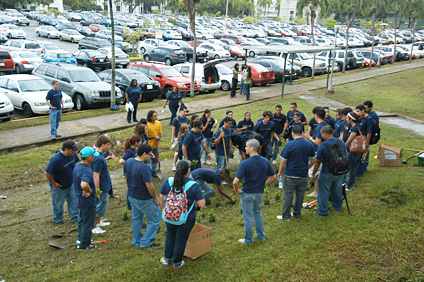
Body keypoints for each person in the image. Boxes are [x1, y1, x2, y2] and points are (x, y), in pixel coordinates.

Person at [159, 160, 205, 269]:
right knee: (181, 239)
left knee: (170, 236)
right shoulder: (194, 185)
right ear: (189, 170)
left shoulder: (168, 181)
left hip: (169, 216)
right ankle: (177, 263)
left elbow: (161, 196)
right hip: (186, 219)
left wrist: (164, 208)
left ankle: (167, 259)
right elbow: (201, 204)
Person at [233, 139, 277, 245]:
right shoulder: (265, 161)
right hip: (259, 193)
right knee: (257, 213)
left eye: (247, 147)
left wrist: (236, 189)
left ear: (252, 148)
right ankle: (261, 236)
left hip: (247, 193)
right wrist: (264, 184)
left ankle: (248, 240)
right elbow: (274, 176)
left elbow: (235, 181)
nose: (245, 148)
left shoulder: (245, 163)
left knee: (248, 216)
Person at [124, 144, 161, 248]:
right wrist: (155, 198)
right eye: (149, 155)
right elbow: (149, 185)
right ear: (144, 154)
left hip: (132, 196)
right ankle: (147, 242)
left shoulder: (129, 162)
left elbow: (126, 177)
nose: (150, 158)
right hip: (144, 198)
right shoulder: (144, 168)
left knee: (137, 219)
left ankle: (137, 240)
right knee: (154, 219)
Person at [276, 126, 315, 221]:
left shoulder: (290, 144)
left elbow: (283, 161)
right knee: (300, 195)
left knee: (288, 195)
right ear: (302, 133)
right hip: (303, 174)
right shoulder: (309, 144)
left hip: (290, 174)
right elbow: (313, 159)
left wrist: (280, 172)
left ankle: (286, 216)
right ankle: (297, 214)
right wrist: (307, 167)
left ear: (292, 133)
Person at [311, 125, 347, 216]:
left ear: (326, 134)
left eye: (322, 134)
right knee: (337, 189)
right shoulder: (341, 142)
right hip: (340, 171)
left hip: (327, 172)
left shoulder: (322, 146)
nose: (321, 136)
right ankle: (338, 206)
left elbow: (318, 161)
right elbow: (345, 155)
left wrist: (313, 173)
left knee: (323, 191)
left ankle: (323, 211)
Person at [44, 140, 79, 224]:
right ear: (66, 149)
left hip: (71, 183)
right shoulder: (56, 159)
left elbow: (77, 162)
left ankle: (74, 217)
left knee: (74, 201)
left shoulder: (73, 155)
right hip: (59, 187)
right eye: (73, 149)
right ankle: (58, 219)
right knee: (58, 204)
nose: (75, 151)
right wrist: (54, 184)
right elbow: (47, 173)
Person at [73, 146, 99, 250]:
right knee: (88, 223)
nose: (94, 157)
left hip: (79, 199)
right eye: (93, 155)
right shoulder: (86, 171)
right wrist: (90, 191)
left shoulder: (78, 165)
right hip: (87, 201)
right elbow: (84, 184)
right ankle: (84, 245)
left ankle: (80, 239)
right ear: (88, 157)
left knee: (82, 220)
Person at [91, 135, 113, 234]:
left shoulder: (100, 156)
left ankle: (98, 222)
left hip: (105, 184)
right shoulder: (98, 159)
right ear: (102, 145)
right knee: (99, 205)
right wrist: (97, 191)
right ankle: (94, 226)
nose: (109, 147)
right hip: (101, 186)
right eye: (108, 145)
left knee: (102, 204)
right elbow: (96, 175)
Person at [304, 107, 327, 197]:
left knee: (315, 171)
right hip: (325, 150)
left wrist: (309, 138)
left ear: (316, 116)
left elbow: (317, 142)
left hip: (318, 151)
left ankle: (316, 192)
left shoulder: (319, 127)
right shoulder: (326, 124)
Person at [119, 134, 142, 211]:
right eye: (140, 141)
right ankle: (129, 206)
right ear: (136, 142)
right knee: (130, 188)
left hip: (133, 171)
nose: (141, 142)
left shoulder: (135, 149)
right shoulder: (129, 151)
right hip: (129, 172)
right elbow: (121, 161)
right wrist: (129, 163)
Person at [344, 112, 364, 191]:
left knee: (351, 169)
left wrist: (343, 147)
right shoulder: (356, 127)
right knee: (350, 168)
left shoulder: (354, 128)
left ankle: (350, 185)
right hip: (354, 151)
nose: (346, 120)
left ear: (351, 119)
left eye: (347, 118)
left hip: (352, 151)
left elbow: (349, 140)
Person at [355, 104, 373, 177]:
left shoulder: (369, 120)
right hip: (361, 139)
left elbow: (369, 133)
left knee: (362, 157)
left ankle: (360, 171)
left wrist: (367, 144)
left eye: (358, 111)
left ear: (363, 110)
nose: (357, 113)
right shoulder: (361, 118)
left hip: (365, 140)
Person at [171, 106, 189, 171]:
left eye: (186, 111)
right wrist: (173, 138)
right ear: (180, 111)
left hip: (185, 137)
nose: (185, 113)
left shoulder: (187, 119)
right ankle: (174, 165)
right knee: (177, 152)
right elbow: (173, 129)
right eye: (184, 111)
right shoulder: (176, 119)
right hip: (178, 137)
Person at [147, 110, 162, 178]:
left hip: (155, 145)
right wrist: (154, 137)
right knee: (148, 160)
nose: (156, 117)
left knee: (155, 159)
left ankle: (154, 171)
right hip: (149, 146)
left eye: (156, 115)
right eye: (155, 116)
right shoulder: (147, 125)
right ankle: (147, 172)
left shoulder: (158, 123)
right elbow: (146, 137)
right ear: (150, 117)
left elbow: (159, 132)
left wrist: (158, 139)